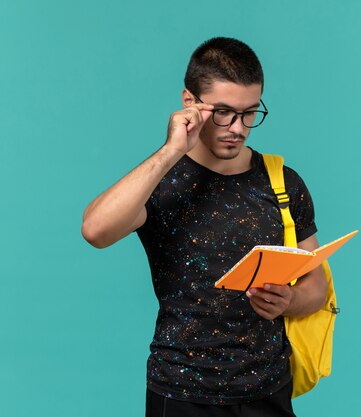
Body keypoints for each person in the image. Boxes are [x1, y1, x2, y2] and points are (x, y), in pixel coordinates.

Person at [81, 37, 327, 417]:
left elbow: (316, 287)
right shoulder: (163, 181)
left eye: (249, 113)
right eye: (224, 112)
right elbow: (95, 230)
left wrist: (290, 301)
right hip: (182, 394)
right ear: (190, 104)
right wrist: (170, 150)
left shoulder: (283, 183)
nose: (238, 127)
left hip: (269, 390)